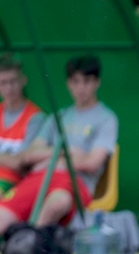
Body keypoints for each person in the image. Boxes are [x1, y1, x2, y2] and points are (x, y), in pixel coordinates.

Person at [0, 55, 116, 235]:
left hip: (74, 182)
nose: (81, 88)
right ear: (68, 84)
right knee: (3, 215)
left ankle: (30, 243)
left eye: (87, 81)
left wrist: (48, 159)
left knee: (57, 203)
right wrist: (65, 152)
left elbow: (92, 163)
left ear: (96, 83)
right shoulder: (58, 117)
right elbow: (29, 155)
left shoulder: (106, 119)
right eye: (76, 81)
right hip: (40, 178)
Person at [0, 53, 46, 194]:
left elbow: (20, 163)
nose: (9, 88)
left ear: (23, 81)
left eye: (13, 81)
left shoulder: (35, 118)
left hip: (14, 183)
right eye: (3, 83)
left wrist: (14, 161)